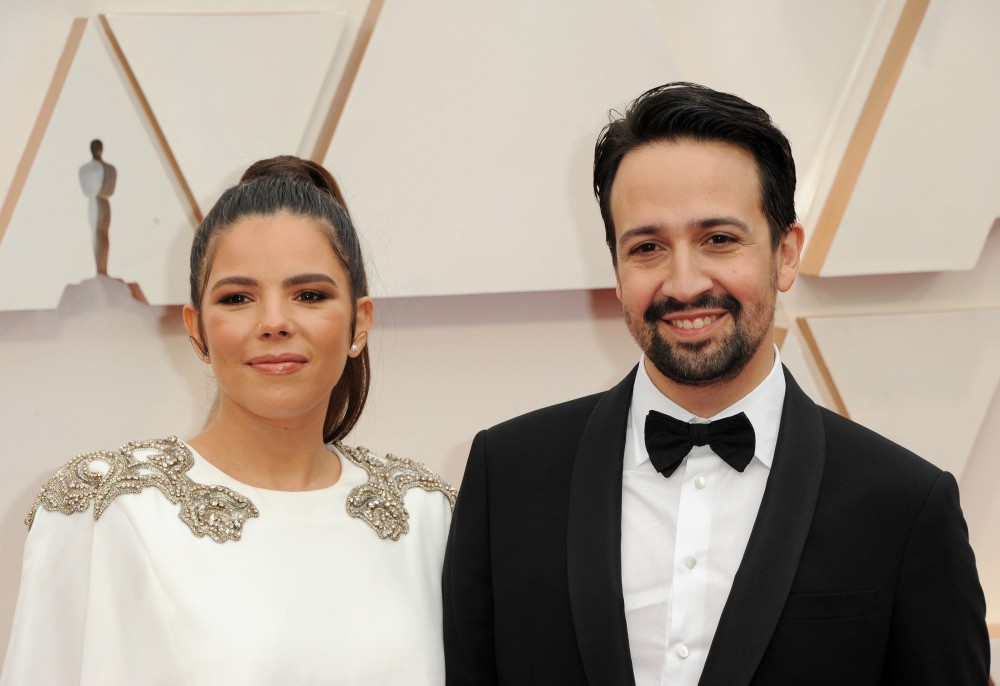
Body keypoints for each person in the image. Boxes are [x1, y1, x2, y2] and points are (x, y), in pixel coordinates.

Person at [443, 83, 989, 685]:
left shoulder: (906, 506)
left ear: (785, 253)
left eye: (719, 240)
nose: (683, 283)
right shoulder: (508, 476)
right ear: (617, 269)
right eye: (647, 247)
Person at [2, 156, 456, 685]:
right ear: (196, 329)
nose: (274, 323)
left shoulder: (430, 514)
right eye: (238, 297)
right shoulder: (106, 510)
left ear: (360, 323)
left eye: (309, 295)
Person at [78, 138, 116, 275]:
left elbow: (109, 190)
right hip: (96, 203)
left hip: (102, 202)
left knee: (101, 233)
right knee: (97, 232)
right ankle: (100, 269)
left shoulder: (108, 168)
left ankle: (102, 269)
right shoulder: (94, 169)